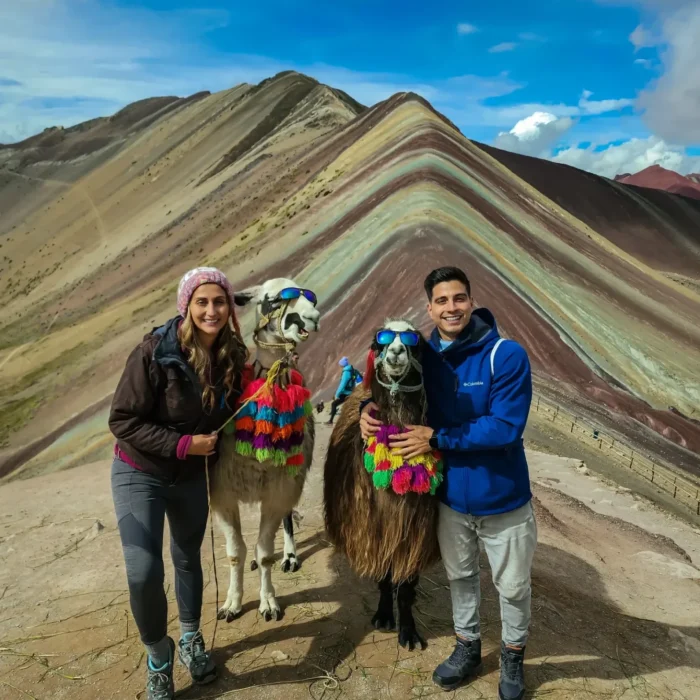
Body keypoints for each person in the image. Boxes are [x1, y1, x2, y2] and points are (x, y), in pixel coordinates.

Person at [360, 266, 536, 700]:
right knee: (460, 577)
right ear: (430, 309)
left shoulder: (505, 355)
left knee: (511, 584)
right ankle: (467, 646)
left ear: (471, 302)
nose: (451, 307)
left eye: (458, 298)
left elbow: (505, 428)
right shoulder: (426, 355)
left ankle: (512, 656)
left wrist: (437, 438)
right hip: (451, 496)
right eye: (441, 301)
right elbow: (396, 386)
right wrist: (367, 404)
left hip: (502, 495)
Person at [109, 267, 248, 700]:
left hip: (189, 477)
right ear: (186, 305)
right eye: (202, 302)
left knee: (187, 557)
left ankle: (190, 638)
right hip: (140, 472)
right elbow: (122, 420)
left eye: (219, 301)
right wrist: (184, 444)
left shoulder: (233, 356)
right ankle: (158, 654)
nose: (212, 310)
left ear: (229, 306)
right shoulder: (154, 351)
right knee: (143, 571)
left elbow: (232, 411)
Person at [326, 356, 362, 425]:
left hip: (347, 393)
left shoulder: (346, 372)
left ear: (342, 364)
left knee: (334, 404)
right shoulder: (351, 369)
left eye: (340, 364)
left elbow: (342, 384)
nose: (339, 365)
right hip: (351, 391)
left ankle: (331, 421)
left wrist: (337, 394)